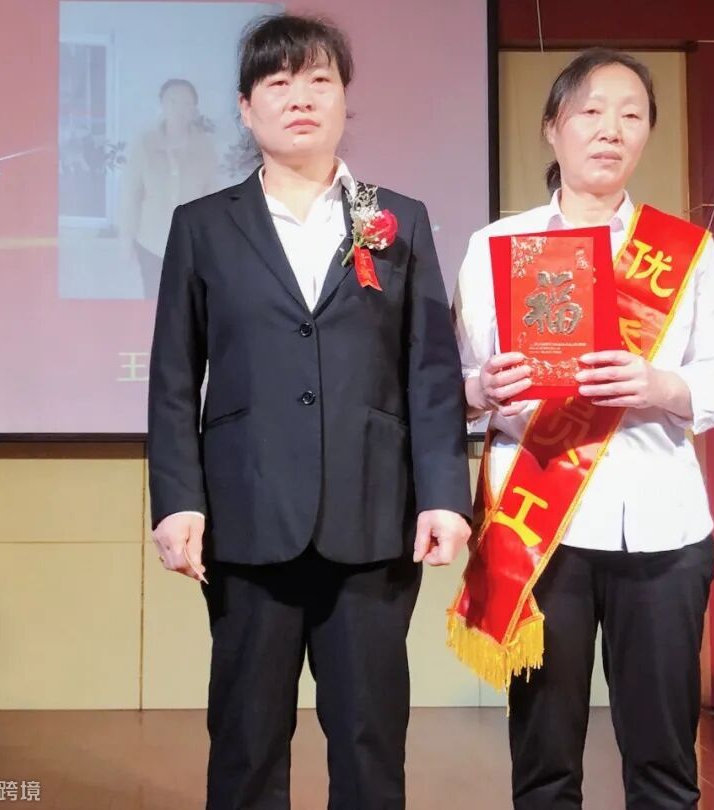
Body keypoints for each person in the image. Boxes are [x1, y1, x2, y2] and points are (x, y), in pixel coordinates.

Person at [146, 14, 472, 810]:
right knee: (246, 740)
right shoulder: (203, 226)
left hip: (372, 517)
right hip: (247, 518)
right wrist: (178, 500)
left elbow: (430, 371)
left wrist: (444, 495)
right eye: (278, 82)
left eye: (319, 79)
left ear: (344, 99)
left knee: (369, 742)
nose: (301, 98)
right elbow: (174, 376)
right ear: (246, 107)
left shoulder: (397, 219)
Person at [450, 49, 714, 810]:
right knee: (545, 761)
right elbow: (456, 381)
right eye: (591, 111)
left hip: (663, 527)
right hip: (541, 528)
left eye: (631, 115)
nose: (611, 129)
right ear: (553, 127)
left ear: (645, 135)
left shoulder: (683, 250)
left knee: (665, 759)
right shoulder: (495, 247)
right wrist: (481, 389)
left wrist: (660, 385)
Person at [119, 78, 220, 298]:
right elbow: (131, 196)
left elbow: (212, 197)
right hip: (151, 241)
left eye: (186, 103)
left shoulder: (205, 146)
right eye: (172, 102)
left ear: (194, 109)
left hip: (192, 245)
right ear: (162, 105)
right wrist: (126, 240)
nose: (179, 109)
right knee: (154, 302)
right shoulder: (145, 143)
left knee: (187, 303)